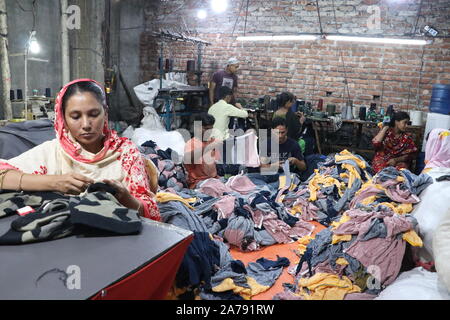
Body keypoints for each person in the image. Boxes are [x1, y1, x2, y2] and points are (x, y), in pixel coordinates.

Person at [0, 79, 160, 221]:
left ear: (105, 112)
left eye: (94, 114)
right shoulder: (53, 151)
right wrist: (55, 182)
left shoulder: (125, 153)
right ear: (63, 118)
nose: (86, 124)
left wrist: (125, 197)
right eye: (75, 116)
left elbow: (150, 212)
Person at [183, 113, 222, 188]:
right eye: (206, 129)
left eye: (211, 129)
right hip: (198, 183)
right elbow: (187, 159)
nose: (209, 132)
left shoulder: (212, 141)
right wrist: (208, 147)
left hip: (214, 179)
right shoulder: (191, 144)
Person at [272, 91, 315, 156]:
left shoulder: (276, 113)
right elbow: (297, 130)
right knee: (310, 140)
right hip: (288, 140)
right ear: (287, 102)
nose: (293, 103)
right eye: (292, 101)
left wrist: (294, 115)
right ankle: (306, 160)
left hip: (276, 139)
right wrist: (301, 120)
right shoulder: (290, 115)